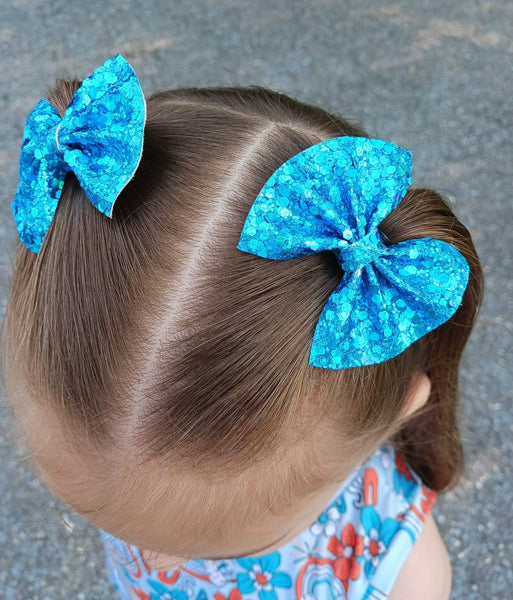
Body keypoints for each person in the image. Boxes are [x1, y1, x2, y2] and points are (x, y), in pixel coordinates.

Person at [2, 54, 484, 600]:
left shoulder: (403, 576)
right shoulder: (148, 472)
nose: (158, 566)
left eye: (224, 551)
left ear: (394, 415)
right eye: (117, 529)